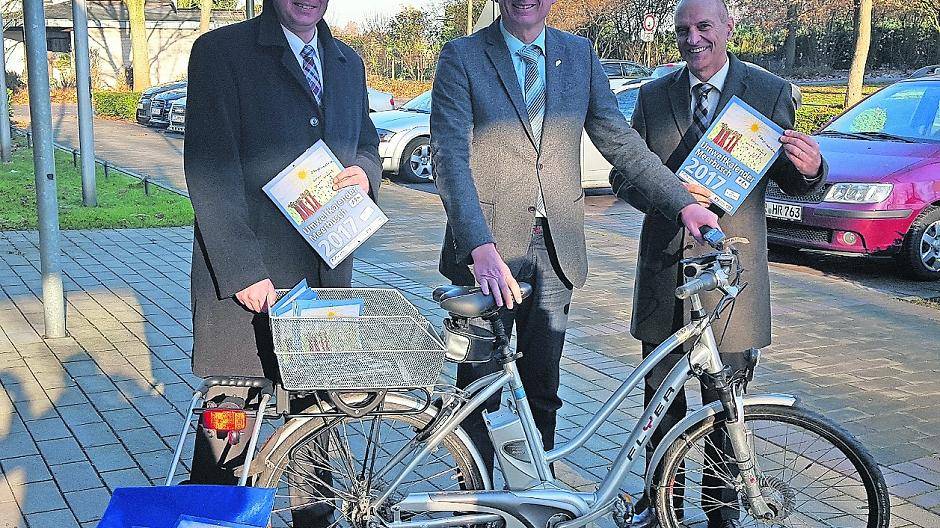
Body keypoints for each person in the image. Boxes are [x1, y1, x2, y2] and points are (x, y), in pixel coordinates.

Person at [431, 0, 720, 474]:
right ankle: (476, 501)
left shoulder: (578, 54)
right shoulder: (462, 56)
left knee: (542, 388)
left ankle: (531, 495)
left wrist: (681, 203)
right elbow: (449, 155)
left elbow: (620, 141)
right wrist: (478, 245)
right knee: (477, 390)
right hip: (487, 249)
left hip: (556, 250)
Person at [611, 0, 827, 526]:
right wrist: (671, 198)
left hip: (733, 276)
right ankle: (657, 503)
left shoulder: (769, 91)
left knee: (725, 406)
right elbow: (623, 177)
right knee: (660, 404)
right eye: (683, 29)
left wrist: (814, 167)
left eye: (704, 27)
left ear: (729, 28)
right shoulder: (654, 95)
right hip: (666, 271)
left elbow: (790, 180)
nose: (693, 38)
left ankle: (722, 511)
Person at [183, 0, 381, 524]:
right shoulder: (221, 53)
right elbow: (210, 170)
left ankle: (314, 521)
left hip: (324, 277)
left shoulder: (347, 63)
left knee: (315, 423)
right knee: (229, 424)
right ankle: (209, 517)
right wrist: (242, 268)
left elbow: (366, 142)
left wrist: (364, 173)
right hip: (248, 281)